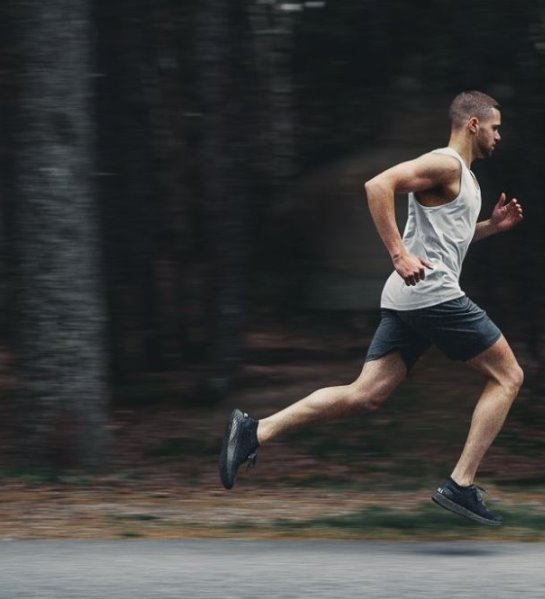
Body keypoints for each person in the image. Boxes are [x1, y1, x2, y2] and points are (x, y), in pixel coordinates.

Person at [218, 90, 524, 526]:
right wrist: (398, 254)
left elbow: (447, 241)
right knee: (509, 376)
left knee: (366, 395)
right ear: (473, 125)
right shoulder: (446, 163)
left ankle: (255, 430)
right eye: (495, 127)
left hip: (409, 298)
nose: (499, 135)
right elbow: (378, 185)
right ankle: (461, 484)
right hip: (433, 295)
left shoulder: (466, 179)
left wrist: (491, 227)